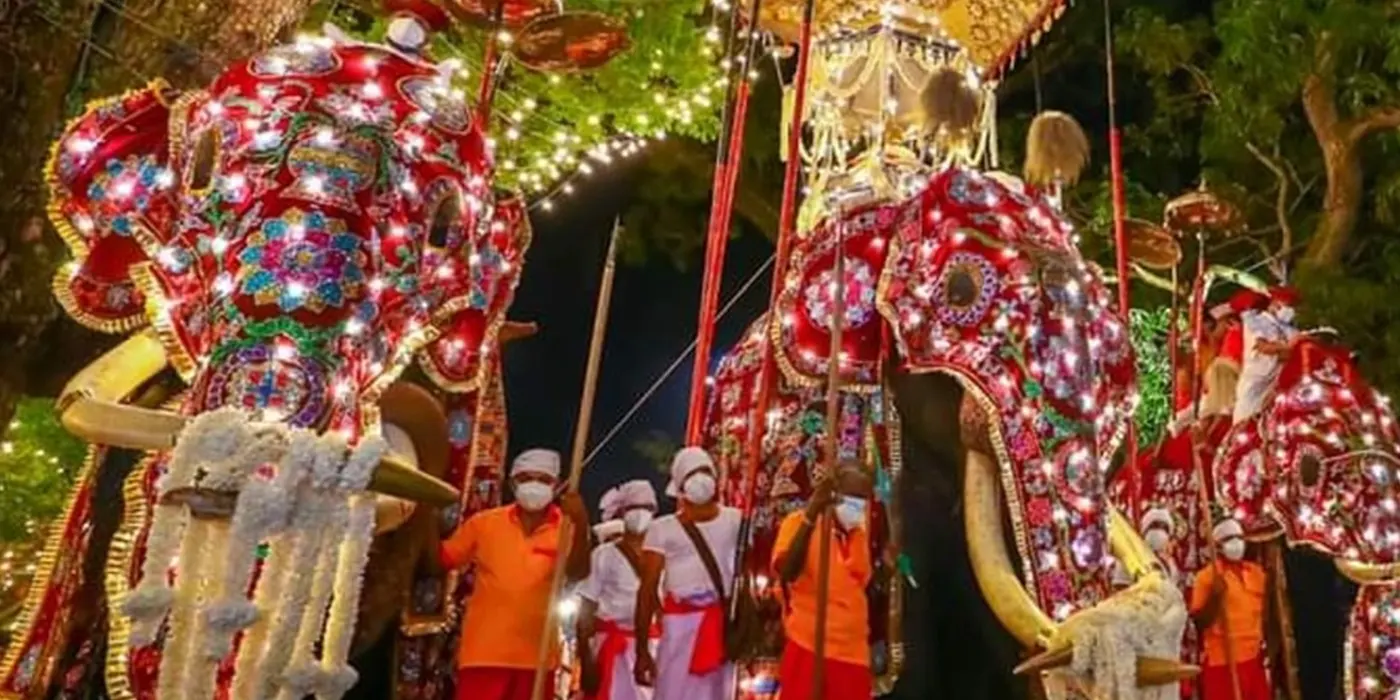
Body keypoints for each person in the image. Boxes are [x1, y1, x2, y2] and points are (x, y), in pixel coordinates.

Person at [433, 448, 592, 700]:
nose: (534, 485)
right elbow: (443, 559)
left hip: (537, 658)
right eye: (526, 478)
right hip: (483, 654)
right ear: (512, 483)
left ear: (558, 486)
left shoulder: (566, 527)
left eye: (544, 480)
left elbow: (578, 573)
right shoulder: (484, 523)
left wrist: (581, 522)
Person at [633, 447, 742, 699]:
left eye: (705, 471)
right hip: (678, 628)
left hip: (720, 625)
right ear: (680, 487)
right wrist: (641, 650)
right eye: (692, 474)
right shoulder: (662, 529)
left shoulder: (736, 521)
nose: (700, 478)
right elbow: (647, 591)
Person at [770, 461, 875, 699]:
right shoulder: (797, 523)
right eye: (852, 499)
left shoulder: (858, 535)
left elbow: (857, 586)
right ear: (833, 494)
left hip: (852, 652)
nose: (858, 507)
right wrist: (811, 515)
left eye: (863, 500)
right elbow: (787, 572)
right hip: (811, 646)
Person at [578, 480, 661, 700]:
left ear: (655, 512)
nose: (641, 513)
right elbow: (586, 609)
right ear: (622, 512)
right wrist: (586, 659)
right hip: (610, 647)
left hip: (652, 648)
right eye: (634, 508)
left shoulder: (663, 555)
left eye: (647, 508)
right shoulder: (604, 554)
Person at [1190, 518, 1271, 700]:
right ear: (1217, 546)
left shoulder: (1256, 573)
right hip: (1223, 662)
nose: (1236, 543)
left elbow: (1266, 613)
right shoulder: (1207, 577)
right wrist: (1215, 598)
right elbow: (1199, 622)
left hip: (1254, 660)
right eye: (1229, 538)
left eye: (1239, 537)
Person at [1234, 286, 1299, 424]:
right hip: (1256, 381)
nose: (1291, 311)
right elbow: (1264, 347)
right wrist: (1286, 347)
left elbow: (1296, 348)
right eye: (1288, 306)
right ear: (1275, 304)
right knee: (1244, 422)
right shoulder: (1256, 321)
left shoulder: (1288, 328)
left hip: (1276, 382)